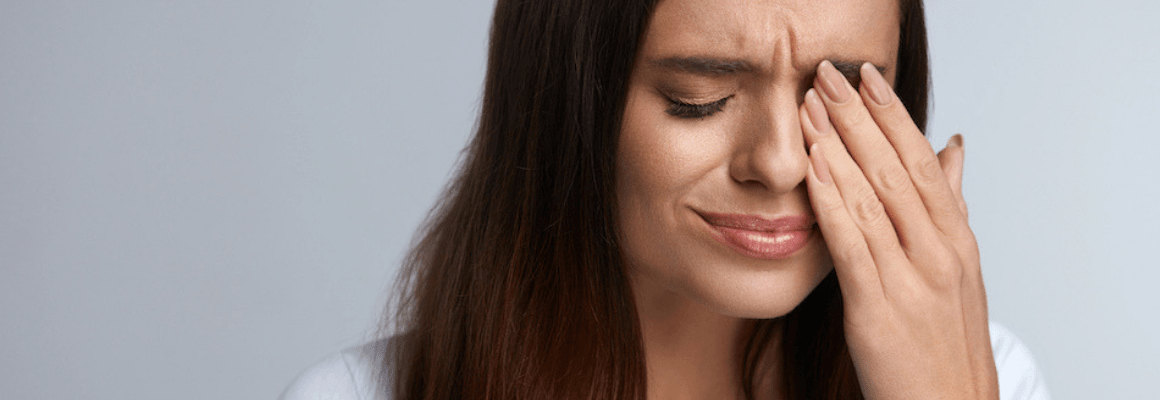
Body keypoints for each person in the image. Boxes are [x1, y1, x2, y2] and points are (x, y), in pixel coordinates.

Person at [281, 0, 1050, 399]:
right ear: (566, 105)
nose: (781, 163)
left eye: (839, 95)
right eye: (697, 98)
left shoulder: (990, 377)